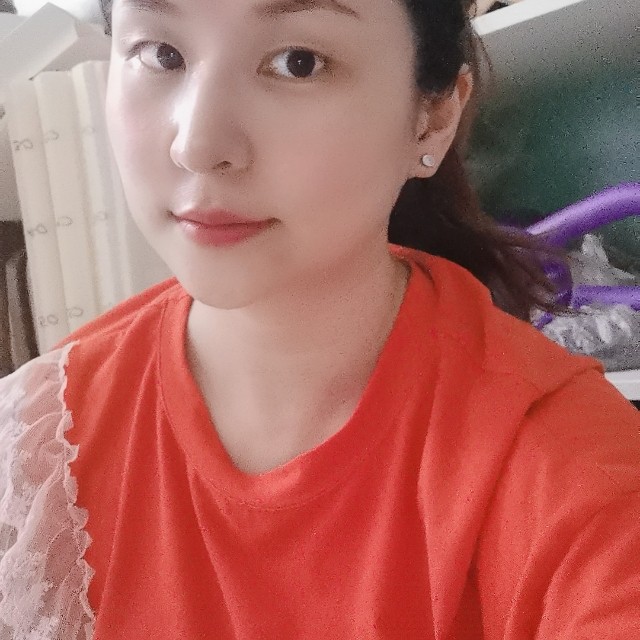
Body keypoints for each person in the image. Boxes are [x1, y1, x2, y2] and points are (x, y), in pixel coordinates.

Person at [0, 0, 638, 638]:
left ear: (434, 117)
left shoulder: (572, 469)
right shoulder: (35, 447)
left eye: (298, 63)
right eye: (161, 54)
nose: (197, 145)